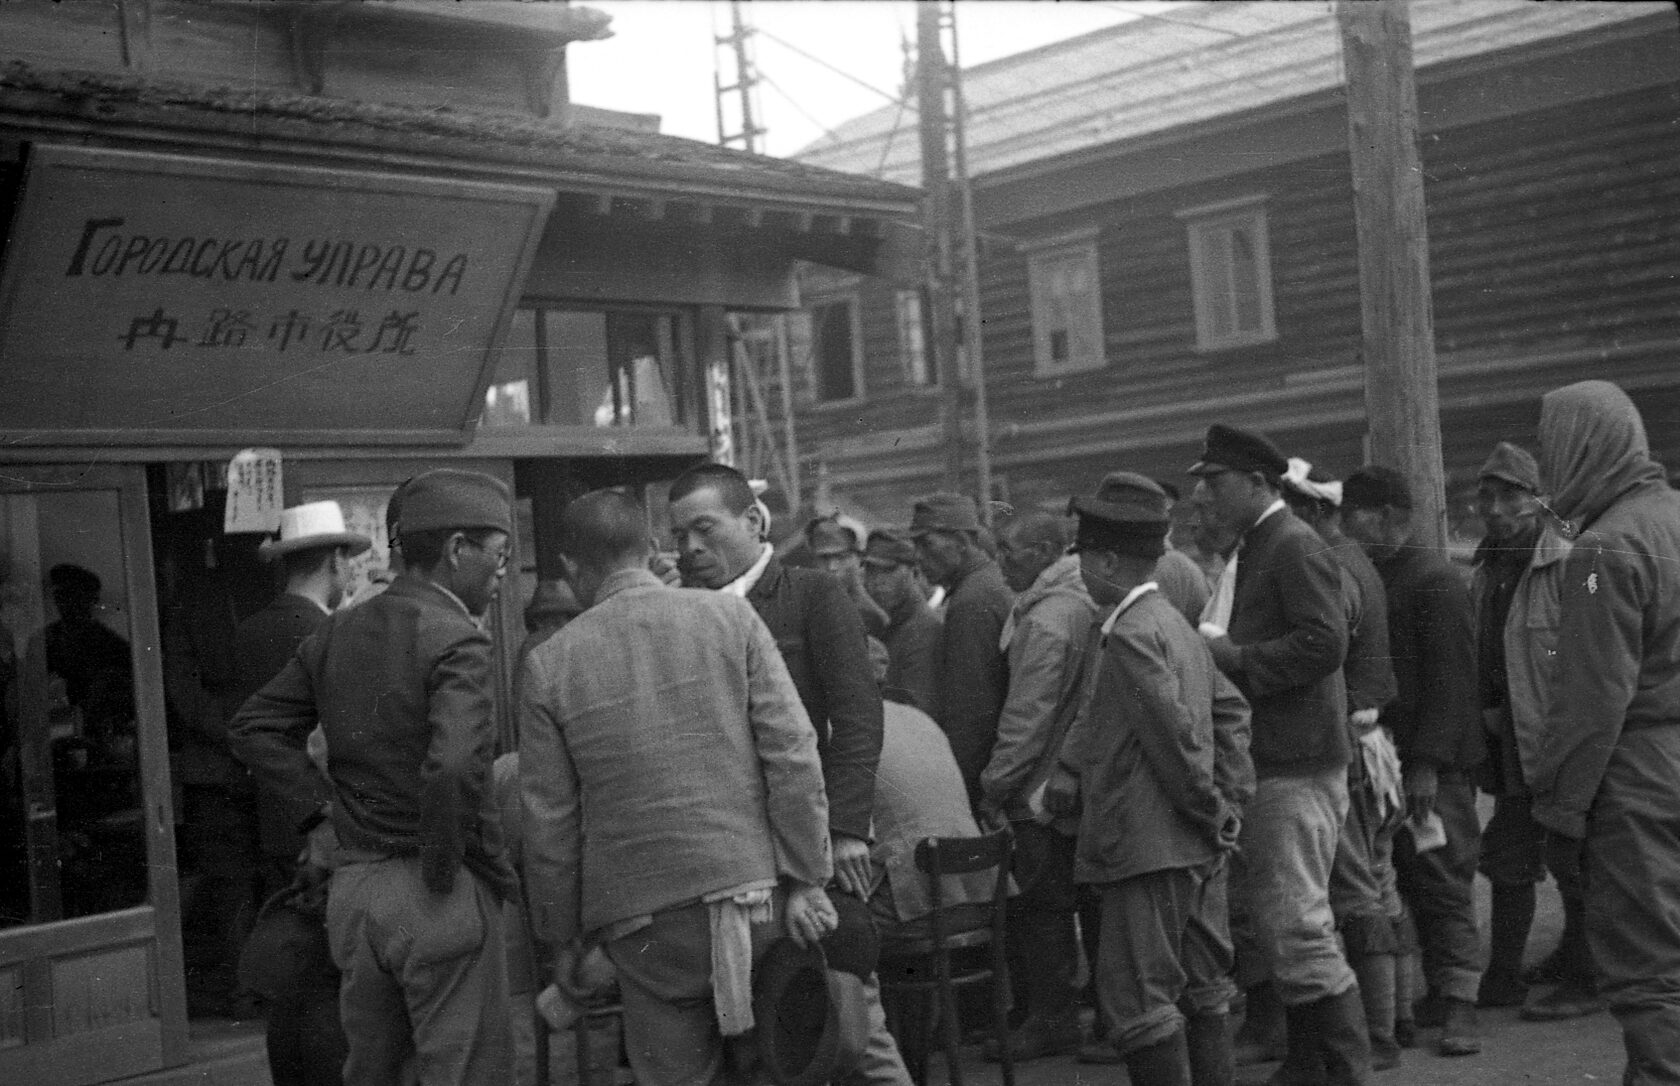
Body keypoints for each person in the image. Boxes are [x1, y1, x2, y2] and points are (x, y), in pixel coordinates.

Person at [519, 488, 839, 1086]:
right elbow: (793, 754)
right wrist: (806, 878)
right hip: (756, 895)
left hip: (644, 930)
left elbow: (549, 823)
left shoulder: (549, 663)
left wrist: (561, 940)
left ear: (569, 567)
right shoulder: (729, 616)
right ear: (651, 549)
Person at [230, 468, 518, 1086]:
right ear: (457, 549)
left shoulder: (336, 631)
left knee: (373, 1070)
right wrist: (443, 868)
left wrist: (319, 816)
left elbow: (254, 727)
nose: (503, 570)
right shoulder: (458, 639)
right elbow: (453, 766)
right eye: (498, 553)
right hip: (435, 887)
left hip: (356, 897)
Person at [1046, 472, 1254, 1086]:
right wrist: (1229, 801)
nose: (1078, 570)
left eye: (1081, 557)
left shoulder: (1133, 635)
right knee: (1204, 987)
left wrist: (1212, 805)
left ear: (1108, 560)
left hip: (1146, 848)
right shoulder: (1175, 626)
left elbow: (1176, 742)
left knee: (1137, 1003)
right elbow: (1231, 711)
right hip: (1193, 849)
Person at [1188, 424, 1368, 1084]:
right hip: (1280, 759)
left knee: (1299, 927)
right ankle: (1311, 1061)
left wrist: (1234, 661)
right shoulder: (1260, 544)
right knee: (1287, 923)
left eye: (1216, 481)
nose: (1204, 494)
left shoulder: (1289, 545)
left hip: (1296, 762)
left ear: (1260, 484)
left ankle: (1345, 1070)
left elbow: (1325, 645)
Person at [1527, 381, 1680, 1086]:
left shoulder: (1603, 548)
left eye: (1551, 443)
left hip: (1639, 780)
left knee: (1652, 974)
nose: (1546, 461)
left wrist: (1559, 812)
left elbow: (1591, 704)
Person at [667, 463, 883, 906]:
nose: (691, 548)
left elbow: (857, 716)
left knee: (834, 960)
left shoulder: (812, 595)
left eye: (704, 528)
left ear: (751, 521)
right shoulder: (683, 611)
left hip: (812, 828)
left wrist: (845, 829)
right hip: (725, 844)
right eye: (679, 536)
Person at [1342, 465, 1485, 1058]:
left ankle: (1461, 1009)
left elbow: (1454, 682)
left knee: (1444, 879)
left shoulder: (1434, 579)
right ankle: (1439, 995)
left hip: (1434, 766)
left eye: (1356, 519)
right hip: (1393, 761)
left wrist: (1426, 763)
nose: (1349, 531)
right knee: (1405, 880)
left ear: (1384, 517)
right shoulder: (1390, 572)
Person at [1466, 441, 1599, 1021]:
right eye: (1487, 497)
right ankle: (1518, 971)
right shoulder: (1487, 566)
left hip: (1563, 736)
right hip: (1514, 738)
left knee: (1574, 854)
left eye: (1511, 496)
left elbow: (1597, 655)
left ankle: (1585, 974)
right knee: (1513, 851)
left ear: (1541, 501)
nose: (1496, 509)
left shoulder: (1570, 561)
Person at [1281, 459, 1405, 1069]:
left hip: (1349, 742)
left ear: (1313, 511)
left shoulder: (1328, 563)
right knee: (1371, 884)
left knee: (1355, 891)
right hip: (1366, 739)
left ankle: (1376, 1038)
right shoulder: (1353, 560)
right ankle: (1386, 1024)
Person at [977, 511, 1098, 1060]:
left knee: (1041, 905)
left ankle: (1053, 1020)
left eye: (1012, 551)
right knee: (1078, 901)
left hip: (1038, 791)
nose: (1001, 561)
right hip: (1072, 783)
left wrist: (995, 783)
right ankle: (1083, 1014)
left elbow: (1028, 715)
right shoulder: (1076, 603)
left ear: (1049, 551)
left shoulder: (1047, 618)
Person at [235, 502, 369, 904]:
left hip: (269, 817)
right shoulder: (330, 632)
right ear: (335, 561)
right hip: (326, 826)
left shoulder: (249, 630)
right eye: (348, 561)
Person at [909, 492, 1014, 801]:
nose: (917, 557)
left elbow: (973, 714)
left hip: (988, 779)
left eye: (925, 544)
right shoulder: (991, 582)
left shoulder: (970, 602)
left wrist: (962, 793)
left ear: (961, 541)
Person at [862, 529, 942, 717]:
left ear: (914, 572)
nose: (877, 581)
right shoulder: (889, 623)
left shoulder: (924, 630)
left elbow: (918, 715)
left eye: (888, 570)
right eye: (871, 571)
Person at [807, 513, 892, 638]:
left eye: (841, 557)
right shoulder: (807, 609)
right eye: (824, 558)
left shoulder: (872, 617)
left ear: (860, 559)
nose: (832, 567)